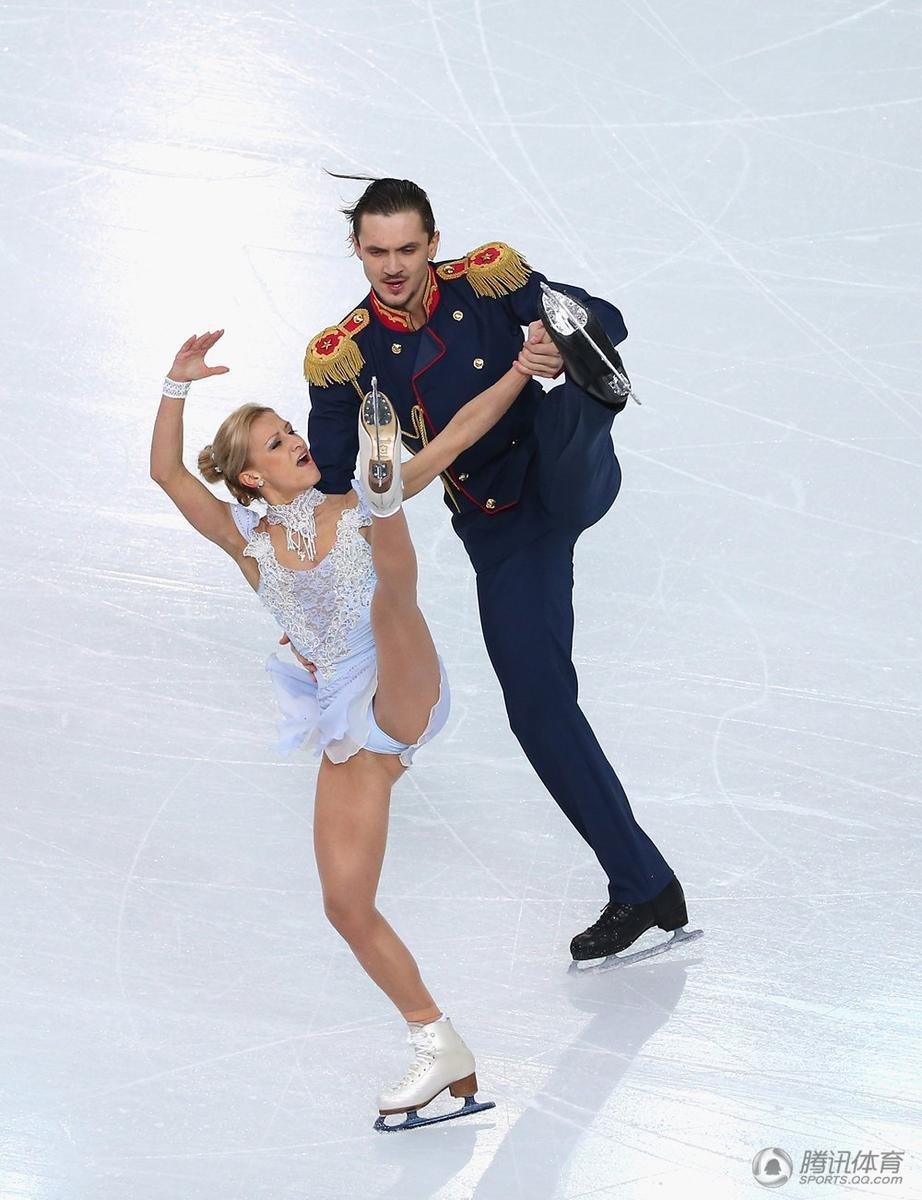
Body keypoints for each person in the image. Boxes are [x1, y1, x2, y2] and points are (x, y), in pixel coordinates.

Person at [302, 177, 698, 963]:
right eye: (377, 251)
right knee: (536, 708)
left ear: (433, 243)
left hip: (557, 460)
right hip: (500, 525)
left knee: (574, 407)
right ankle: (645, 886)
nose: (393, 266)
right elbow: (333, 483)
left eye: (407, 249)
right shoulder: (345, 356)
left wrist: (555, 340)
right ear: (357, 250)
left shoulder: (486, 279)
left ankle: (594, 391)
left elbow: (609, 316)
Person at [149, 329, 533, 1129]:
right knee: (346, 905)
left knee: (392, 599)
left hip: (404, 679)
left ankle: (391, 500)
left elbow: (457, 435)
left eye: (291, 430)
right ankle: (439, 1043)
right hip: (349, 718)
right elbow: (167, 475)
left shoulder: (348, 506)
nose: (296, 441)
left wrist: (521, 369)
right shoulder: (248, 543)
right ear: (251, 478)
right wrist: (176, 385)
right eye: (276, 443)